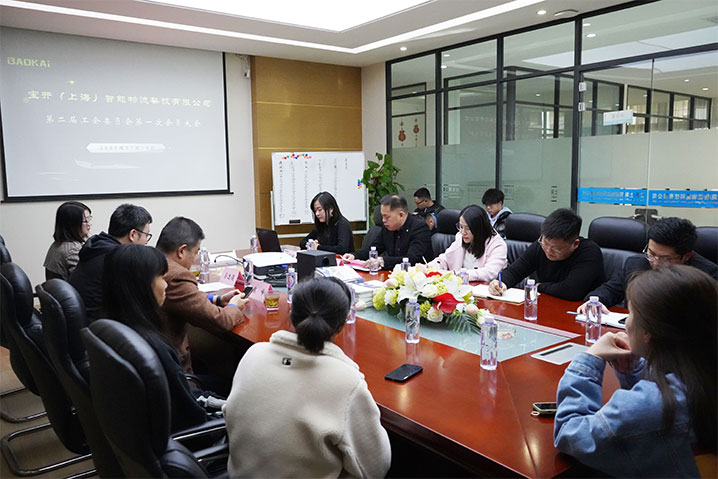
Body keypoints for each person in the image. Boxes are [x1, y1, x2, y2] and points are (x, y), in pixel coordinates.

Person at [554, 265, 717, 477]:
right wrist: (634, 371)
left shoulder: (654, 406)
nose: (626, 323)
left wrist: (590, 359)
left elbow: (570, 434)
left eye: (630, 314)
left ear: (648, 332)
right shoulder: (703, 375)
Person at [223, 277, 391, 478]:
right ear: (342, 325)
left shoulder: (254, 354)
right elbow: (376, 468)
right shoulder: (346, 380)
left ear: (291, 314)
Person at [102, 244, 224, 433]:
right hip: (198, 435)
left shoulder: (112, 327)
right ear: (142, 286)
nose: (166, 284)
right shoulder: (154, 347)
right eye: (160, 277)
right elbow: (193, 417)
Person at [156, 217, 248, 374]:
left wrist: (217, 299)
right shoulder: (176, 275)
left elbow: (181, 298)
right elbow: (221, 320)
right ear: (181, 251)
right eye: (196, 252)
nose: (195, 259)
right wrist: (234, 306)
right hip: (175, 370)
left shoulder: (151, 261)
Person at [579, 217, 718, 314]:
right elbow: (610, 290)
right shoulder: (636, 263)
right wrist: (596, 301)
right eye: (651, 253)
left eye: (665, 258)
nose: (655, 263)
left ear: (686, 256)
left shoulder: (708, 276)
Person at [489, 208, 604, 301]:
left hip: (579, 311)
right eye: (545, 243)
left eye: (556, 249)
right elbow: (515, 271)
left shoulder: (589, 252)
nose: (548, 251)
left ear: (575, 244)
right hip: (546, 304)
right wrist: (501, 282)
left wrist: (539, 286)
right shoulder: (540, 245)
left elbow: (571, 291)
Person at [70, 203, 152, 319]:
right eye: (146, 235)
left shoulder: (97, 247)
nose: (146, 242)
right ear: (133, 234)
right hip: (99, 325)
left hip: (87, 323)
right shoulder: (119, 259)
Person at [343, 194, 434, 270]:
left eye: (386, 217)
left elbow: (412, 259)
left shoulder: (420, 228)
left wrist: (383, 261)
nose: (383, 220)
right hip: (390, 275)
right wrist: (354, 256)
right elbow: (374, 248)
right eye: (382, 216)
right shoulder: (388, 227)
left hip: (416, 278)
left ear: (401, 215)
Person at [430, 205, 507, 282]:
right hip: (460, 286)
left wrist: (459, 274)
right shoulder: (461, 237)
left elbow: (489, 273)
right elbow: (445, 259)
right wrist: (430, 267)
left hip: (484, 288)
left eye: (468, 228)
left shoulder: (497, 245)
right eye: (461, 227)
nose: (463, 232)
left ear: (479, 228)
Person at [43, 201, 92, 281]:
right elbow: (83, 281)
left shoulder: (57, 244)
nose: (89, 224)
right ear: (73, 224)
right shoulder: (73, 249)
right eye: (85, 221)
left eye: (89, 219)